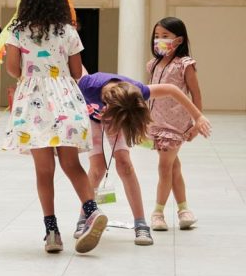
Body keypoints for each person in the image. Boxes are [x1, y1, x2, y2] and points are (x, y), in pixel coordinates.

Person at [3, 0, 103, 254]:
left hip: (32, 102)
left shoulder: (18, 31)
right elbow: (75, 70)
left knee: (44, 171)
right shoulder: (68, 31)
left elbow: (12, 69)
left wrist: (29, 69)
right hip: (65, 100)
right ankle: (91, 211)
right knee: (72, 165)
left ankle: (51, 232)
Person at [76, 72, 211, 245]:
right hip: (91, 119)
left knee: (125, 165)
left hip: (117, 117)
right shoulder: (88, 85)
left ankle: (140, 224)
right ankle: (84, 218)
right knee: (97, 169)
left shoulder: (136, 91)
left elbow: (171, 89)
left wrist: (198, 116)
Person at [147, 17, 205, 231]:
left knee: (164, 167)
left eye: (165, 36)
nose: (159, 40)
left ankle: (158, 212)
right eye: (156, 36)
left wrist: (197, 122)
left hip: (175, 126)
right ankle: (184, 209)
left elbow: (196, 95)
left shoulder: (185, 65)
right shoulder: (152, 64)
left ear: (178, 40)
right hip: (156, 124)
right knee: (173, 167)